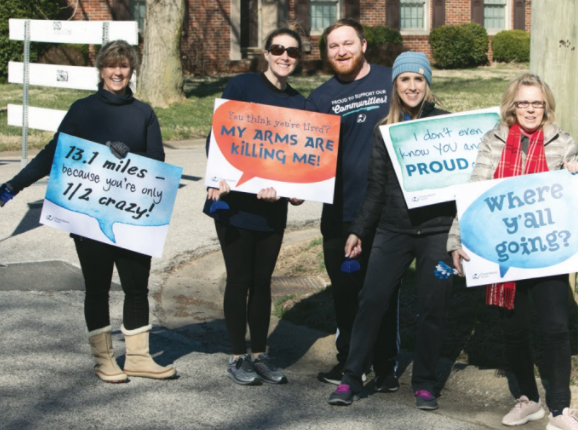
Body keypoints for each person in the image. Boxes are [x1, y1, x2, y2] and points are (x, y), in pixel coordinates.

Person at [0, 40, 176, 382]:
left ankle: (138, 357)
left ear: (132, 70)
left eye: (124, 66)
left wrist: (127, 158)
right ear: (101, 69)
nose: (118, 72)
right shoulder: (82, 110)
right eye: (112, 65)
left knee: (136, 286)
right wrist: (12, 186)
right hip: (86, 214)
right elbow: (52, 154)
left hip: (132, 215)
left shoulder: (144, 112)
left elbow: (157, 161)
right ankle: (104, 359)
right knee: (97, 287)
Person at [448, 73, 578, 429]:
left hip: (546, 253)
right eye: (524, 102)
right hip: (503, 250)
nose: (531, 109)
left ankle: (560, 408)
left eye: (537, 103)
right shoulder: (493, 141)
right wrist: (456, 240)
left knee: (555, 328)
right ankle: (528, 399)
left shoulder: (563, 141)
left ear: (546, 105)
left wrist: (575, 171)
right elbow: (475, 189)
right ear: (512, 105)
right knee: (514, 329)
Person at [327, 52, 454, 410]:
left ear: (426, 83)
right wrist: (358, 231)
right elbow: (376, 188)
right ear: (395, 85)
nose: (412, 86)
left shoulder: (447, 124)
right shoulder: (383, 130)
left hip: (438, 234)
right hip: (392, 230)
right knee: (372, 300)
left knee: (434, 305)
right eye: (404, 80)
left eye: (418, 79)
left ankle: (426, 383)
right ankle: (351, 378)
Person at [203, 27, 305, 386]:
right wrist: (217, 178)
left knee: (263, 282)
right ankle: (236, 356)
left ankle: (260, 354)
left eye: (292, 51)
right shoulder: (242, 87)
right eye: (278, 49)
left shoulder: (300, 105)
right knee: (240, 279)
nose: (284, 56)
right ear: (266, 52)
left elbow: (303, 166)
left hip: (272, 209)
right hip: (234, 204)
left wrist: (296, 192)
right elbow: (219, 136)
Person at [306, 18, 399, 388]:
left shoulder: (392, 80)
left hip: (388, 209)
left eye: (348, 43)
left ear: (363, 44)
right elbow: (304, 155)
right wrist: (297, 185)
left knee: (382, 291)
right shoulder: (320, 98)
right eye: (333, 46)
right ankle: (349, 363)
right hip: (340, 211)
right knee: (345, 291)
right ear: (327, 52)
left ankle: (385, 366)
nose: (341, 51)